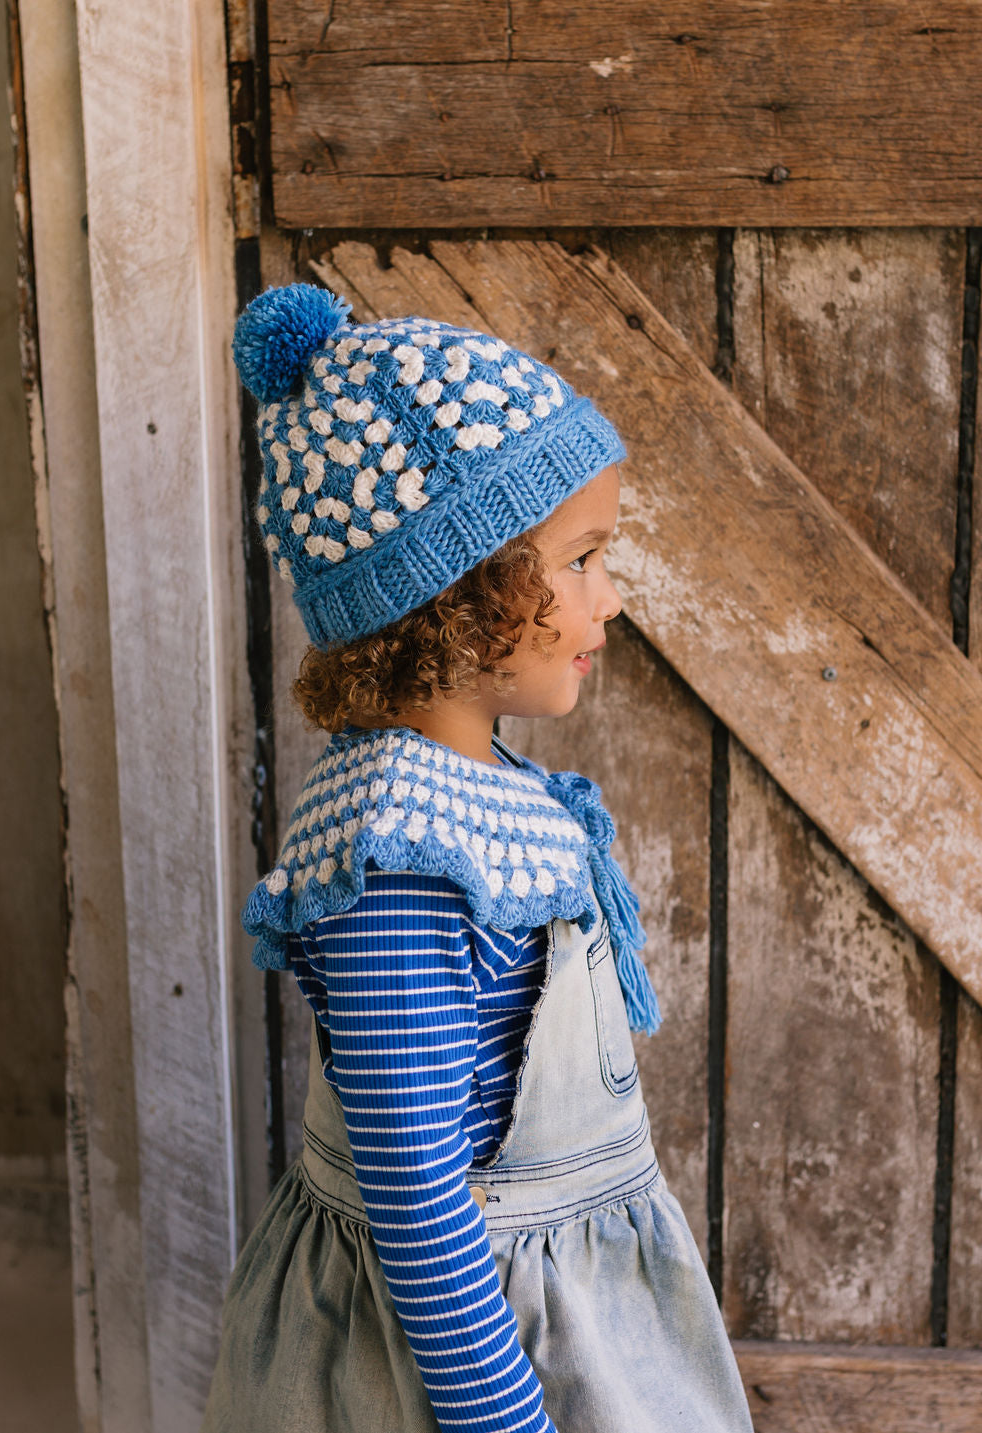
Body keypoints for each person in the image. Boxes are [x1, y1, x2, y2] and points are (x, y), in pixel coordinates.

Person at [201, 282, 754, 1433]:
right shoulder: (394, 863)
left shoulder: (475, 788)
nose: (610, 596)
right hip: (472, 1358)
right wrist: (503, 1416)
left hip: (568, 1300)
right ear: (461, 593)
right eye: (583, 558)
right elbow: (415, 1194)